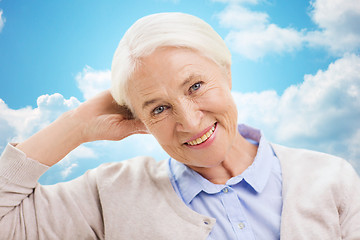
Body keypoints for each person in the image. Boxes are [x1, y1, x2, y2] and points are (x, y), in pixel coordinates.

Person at [0, 12, 359, 240]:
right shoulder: (111, 194)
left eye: (196, 86)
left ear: (227, 72)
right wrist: (75, 125)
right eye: (158, 108)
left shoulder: (329, 177)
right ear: (139, 119)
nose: (189, 121)